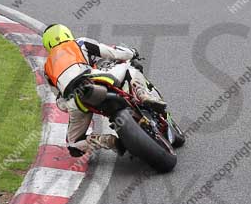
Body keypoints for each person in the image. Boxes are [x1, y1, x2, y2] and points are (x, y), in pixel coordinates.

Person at [42, 24, 166, 157]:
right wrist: (132, 52)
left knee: (73, 145)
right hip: (93, 78)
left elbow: (60, 102)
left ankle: (106, 141)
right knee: (129, 67)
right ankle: (144, 95)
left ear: (48, 44)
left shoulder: (47, 68)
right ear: (67, 34)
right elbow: (111, 52)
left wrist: (71, 107)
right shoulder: (79, 42)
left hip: (75, 101)